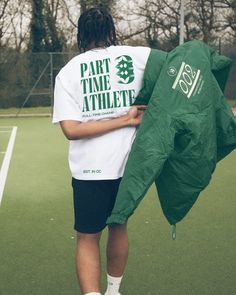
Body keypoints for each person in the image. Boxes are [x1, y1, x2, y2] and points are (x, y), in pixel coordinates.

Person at [53, 7, 150, 295]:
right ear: (111, 31)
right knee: (118, 227)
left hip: (90, 170)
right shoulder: (137, 57)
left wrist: (122, 119)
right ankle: (113, 291)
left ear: (81, 34)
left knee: (87, 237)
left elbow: (70, 129)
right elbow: (174, 69)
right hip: (127, 167)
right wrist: (129, 117)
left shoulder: (68, 72)